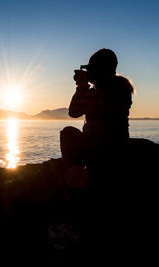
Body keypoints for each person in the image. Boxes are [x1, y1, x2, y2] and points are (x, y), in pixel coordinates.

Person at [60, 48, 135, 189]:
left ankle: (74, 183)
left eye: (92, 68)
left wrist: (82, 86)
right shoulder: (119, 88)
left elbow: (75, 112)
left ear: (102, 69)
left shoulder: (115, 89)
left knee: (68, 134)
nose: (89, 72)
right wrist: (83, 86)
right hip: (108, 147)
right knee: (68, 132)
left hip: (105, 149)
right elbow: (74, 112)